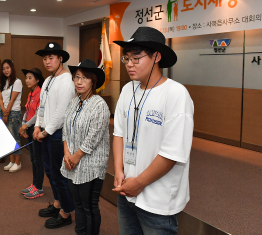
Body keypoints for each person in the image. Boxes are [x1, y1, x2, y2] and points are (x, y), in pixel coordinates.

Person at [112, 27, 194, 235]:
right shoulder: (127, 89)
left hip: (158, 201)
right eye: (126, 59)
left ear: (156, 56)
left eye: (136, 58)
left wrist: (139, 183)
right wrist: (119, 171)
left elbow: (173, 152)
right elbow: (118, 133)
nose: (129, 64)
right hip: (126, 191)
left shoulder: (175, 94)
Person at [61, 59, 110, 235]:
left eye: (84, 78)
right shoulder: (74, 102)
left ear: (93, 81)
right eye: (76, 77)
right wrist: (67, 152)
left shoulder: (99, 104)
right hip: (71, 161)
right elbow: (65, 129)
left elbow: (93, 137)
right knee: (78, 204)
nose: (79, 82)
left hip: (90, 164)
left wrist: (76, 156)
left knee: (89, 206)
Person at [33, 42, 76, 229]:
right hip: (45, 132)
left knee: (60, 175)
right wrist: (36, 126)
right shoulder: (49, 79)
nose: (47, 61)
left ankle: (66, 213)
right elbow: (41, 106)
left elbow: (61, 112)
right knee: (50, 172)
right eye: (45, 58)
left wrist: (46, 131)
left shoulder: (66, 80)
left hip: (57, 134)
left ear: (60, 59)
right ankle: (58, 204)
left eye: (51, 58)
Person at [19, 67, 45, 199]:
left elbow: (38, 115)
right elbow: (27, 110)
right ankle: (34, 184)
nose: (27, 80)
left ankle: (39, 187)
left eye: (30, 78)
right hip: (29, 127)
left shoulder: (40, 93)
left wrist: (26, 125)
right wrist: (24, 125)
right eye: (26, 78)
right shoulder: (30, 93)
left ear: (37, 80)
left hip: (36, 128)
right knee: (33, 159)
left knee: (38, 160)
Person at [0, 59, 23, 172]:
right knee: (7, 139)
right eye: (3, 68)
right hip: (4, 111)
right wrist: (3, 110)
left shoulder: (17, 82)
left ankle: (18, 163)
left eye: (7, 67)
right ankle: (11, 161)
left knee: (14, 138)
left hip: (13, 113)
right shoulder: (3, 82)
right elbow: (0, 98)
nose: (5, 70)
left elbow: (12, 99)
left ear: (12, 68)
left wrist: (6, 113)